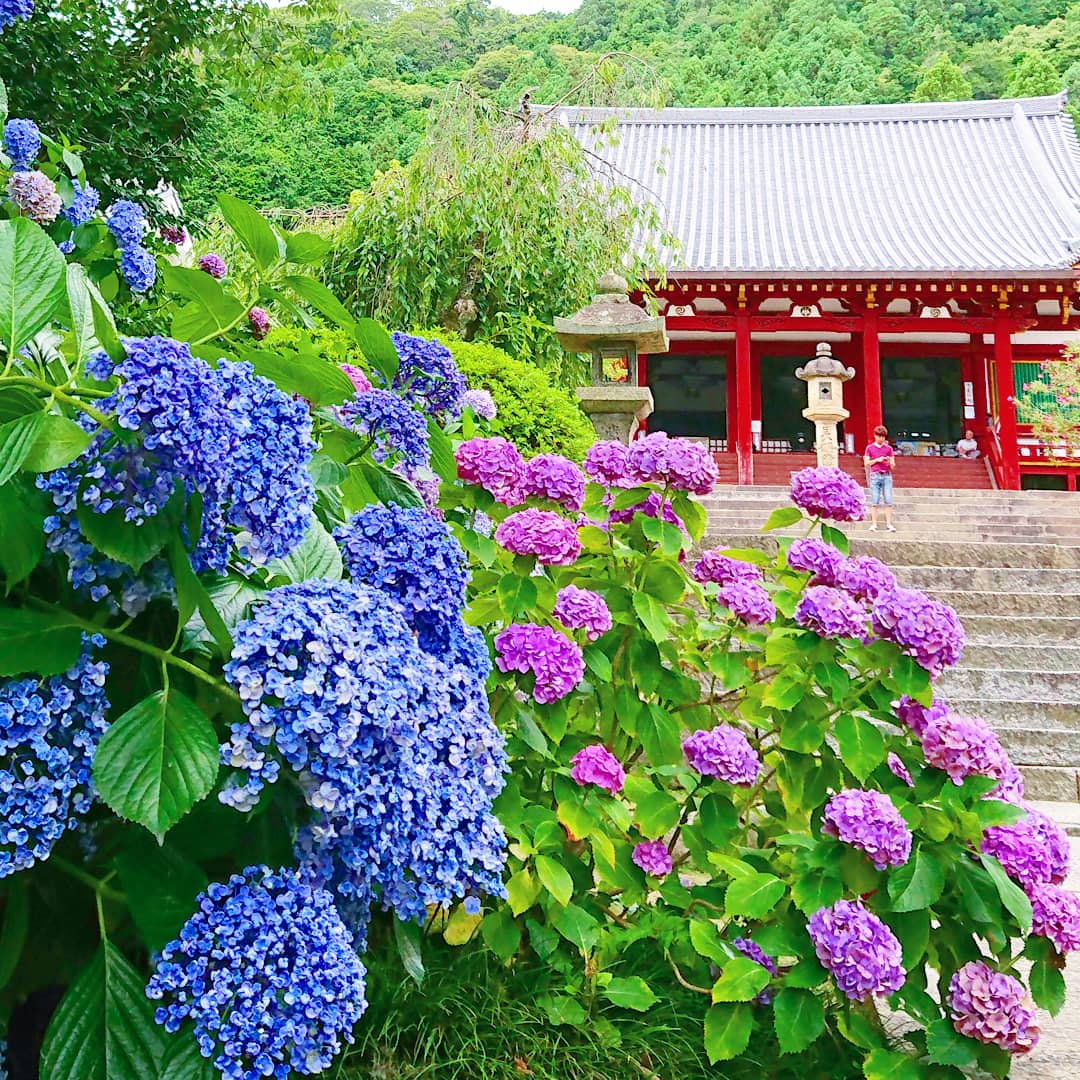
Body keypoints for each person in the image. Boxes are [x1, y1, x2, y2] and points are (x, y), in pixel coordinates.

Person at [863, 425, 896, 531]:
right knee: (874, 500)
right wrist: (877, 460)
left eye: (883, 437)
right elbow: (867, 463)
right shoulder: (869, 448)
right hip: (875, 475)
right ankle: (874, 524)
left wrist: (889, 461)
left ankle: (889, 524)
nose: (881, 439)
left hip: (886, 475)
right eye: (879, 436)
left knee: (888, 500)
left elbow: (893, 465)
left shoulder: (889, 449)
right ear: (875, 436)